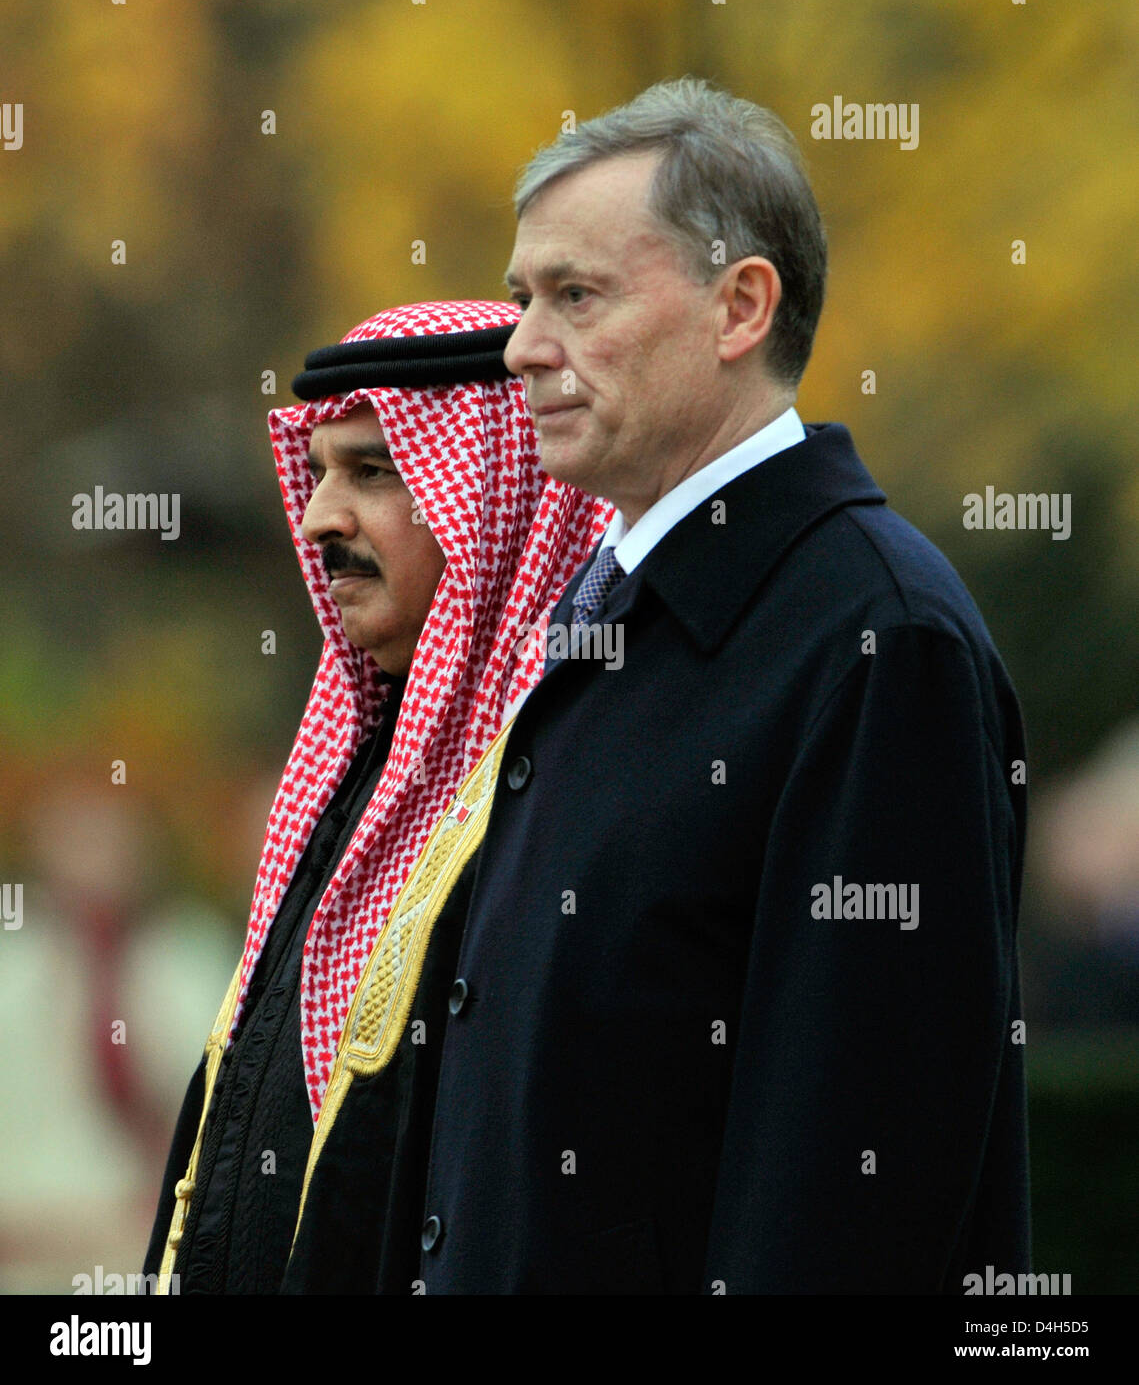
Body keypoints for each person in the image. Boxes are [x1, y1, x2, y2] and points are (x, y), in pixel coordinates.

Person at [287, 78, 1031, 1295]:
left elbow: (855, 1182)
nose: (523, 343)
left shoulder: (877, 639)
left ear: (740, 306)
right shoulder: (610, 607)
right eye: (525, 297)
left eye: (576, 296)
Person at [141, 299, 608, 1294]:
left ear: (492, 495)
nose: (317, 518)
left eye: (372, 470)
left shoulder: (565, 789)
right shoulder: (352, 767)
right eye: (316, 473)